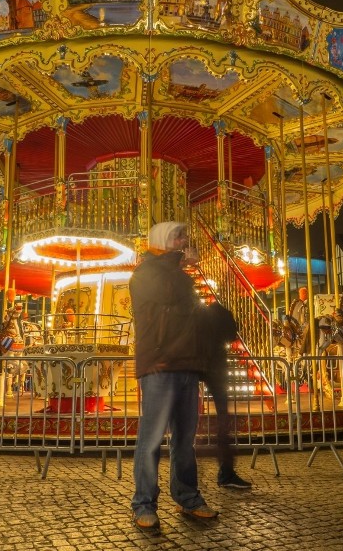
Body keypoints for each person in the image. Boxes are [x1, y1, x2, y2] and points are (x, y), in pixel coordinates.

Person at [130, 222, 217, 530]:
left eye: (184, 237)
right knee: (152, 438)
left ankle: (188, 496)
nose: (184, 242)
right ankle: (143, 502)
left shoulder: (179, 275)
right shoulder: (145, 274)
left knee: (185, 439)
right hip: (159, 363)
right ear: (162, 240)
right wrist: (182, 263)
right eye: (178, 237)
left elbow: (191, 316)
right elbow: (167, 293)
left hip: (186, 363)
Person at [200, 301, 252, 489]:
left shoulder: (198, 314)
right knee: (223, 418)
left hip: (195, 363)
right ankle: (226, 471)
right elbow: (231, 334)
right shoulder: (221, 314)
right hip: (216, 367)